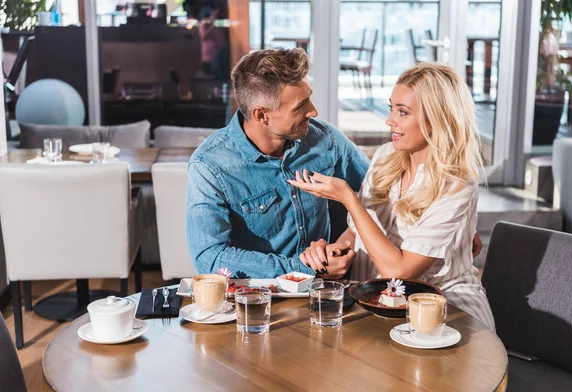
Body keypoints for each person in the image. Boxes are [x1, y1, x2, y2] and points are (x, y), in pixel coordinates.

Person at [288, 63, 495, 329]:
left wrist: (349, 199)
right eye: (391, 108)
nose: (389, 121)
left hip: (445, 308)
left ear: (438, 118)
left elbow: (400, 271)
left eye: (403, 112)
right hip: (380, 301)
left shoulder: (457, 186)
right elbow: (356, 232)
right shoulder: (388, 157)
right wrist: (334, 254)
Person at [186, 48, 369, 279]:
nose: (313, 111)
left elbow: (379, 191)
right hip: (257, 300)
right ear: (261, 115)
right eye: (299, 106)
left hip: (327, 292)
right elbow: (209, 258)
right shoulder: (210, 166)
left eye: (309, 98)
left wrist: (348, 238)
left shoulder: (326, 140)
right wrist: (303, 269)